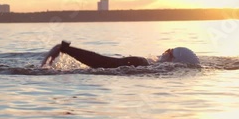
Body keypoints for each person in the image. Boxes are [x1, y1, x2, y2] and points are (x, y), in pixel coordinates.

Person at [41, 40, 199, 68]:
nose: (163, 53)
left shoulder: (140, 63)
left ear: (173, 60)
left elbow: (103, 62)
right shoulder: (143, 64)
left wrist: (67, 49)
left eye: (168, 52)